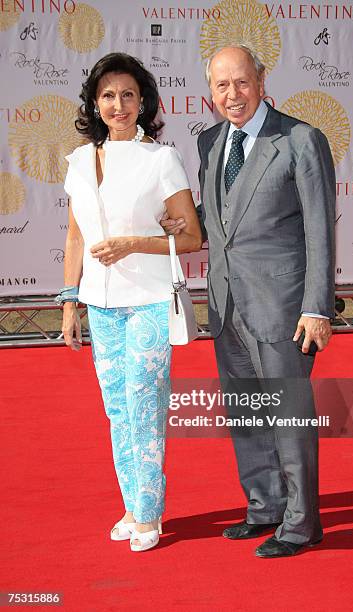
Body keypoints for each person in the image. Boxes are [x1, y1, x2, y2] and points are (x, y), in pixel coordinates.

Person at [162, 45, 336, 558]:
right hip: (226, 302)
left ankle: (303, 524)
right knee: (246, 414)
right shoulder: (210, 141)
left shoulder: (301, 139)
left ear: (260, 80)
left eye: (241, 83)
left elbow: (320, 229)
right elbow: (226, 212)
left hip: (283, 304)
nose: (232, 95)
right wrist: (185, 219)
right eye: (221, 86)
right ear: (209, 93)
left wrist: (317, 307)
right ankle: (265, 507)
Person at [61, 52, 202, 553]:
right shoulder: (78, 162)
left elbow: (191, 238)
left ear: (143, 103)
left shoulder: (160, 159)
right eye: (107, 95)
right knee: (117, 410)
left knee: (144, 406)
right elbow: (76, 239)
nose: (117, 105)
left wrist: (133, 242)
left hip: (147, 300)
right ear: (94, 103)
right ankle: (131, 504)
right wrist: (69, 302)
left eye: (127, 95)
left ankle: (148, 514)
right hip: (99, 305)